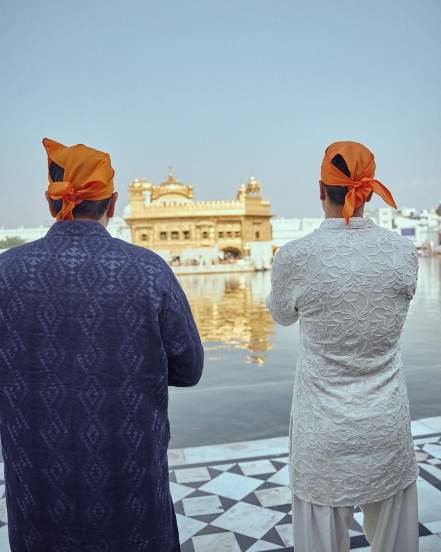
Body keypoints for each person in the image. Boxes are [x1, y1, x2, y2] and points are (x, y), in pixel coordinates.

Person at [0, 138, 204, 552]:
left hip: (38, 472)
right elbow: (189, 368)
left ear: (51, 202)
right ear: (111, 204)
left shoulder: (6, 272)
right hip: (129, 470)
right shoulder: (148, 270)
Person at [267, 141, 419, 552]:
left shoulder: (295, 256)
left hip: (323, 428)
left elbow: (281, 315)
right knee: (396, 537)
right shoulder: (403, 253)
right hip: (385, 422)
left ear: (321, 190)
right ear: (368, 191)